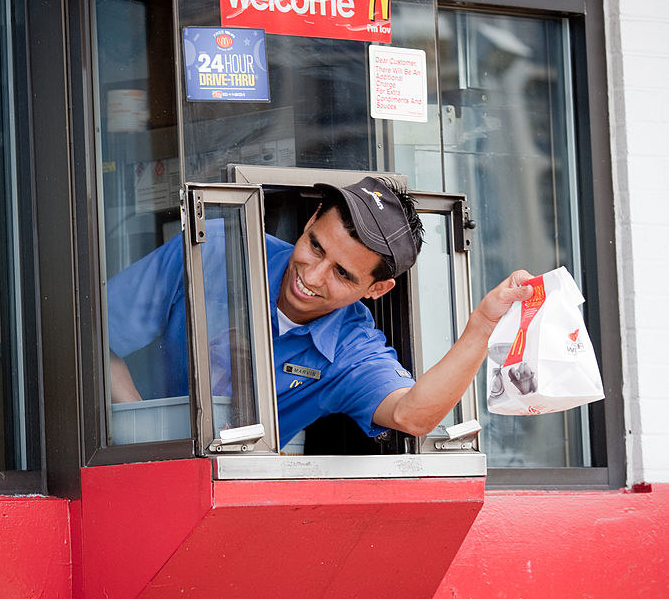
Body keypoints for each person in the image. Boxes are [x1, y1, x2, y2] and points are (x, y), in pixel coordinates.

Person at [108, 176, 533, 447]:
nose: (311, 277)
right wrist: (144, 434)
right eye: (315, 246)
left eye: (343, 275)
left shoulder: (351, 351)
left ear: (378, 289)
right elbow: (95, 335)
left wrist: (483, 325)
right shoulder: (214, 250)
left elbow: (411, 415)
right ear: (311, 218)